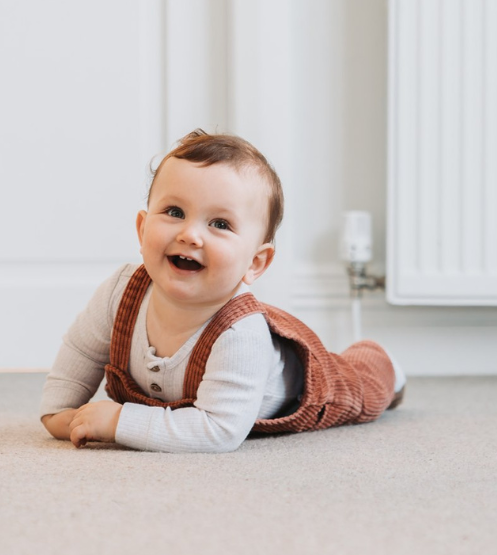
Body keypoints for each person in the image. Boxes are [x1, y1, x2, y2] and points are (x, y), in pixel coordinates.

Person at [40, 130, 405, 453]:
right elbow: (81, 350)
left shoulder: (240, 334)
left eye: (220, 224)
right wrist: (59, 412)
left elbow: (220, 430)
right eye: (174, 211)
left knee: (362, 387)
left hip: (310, 389)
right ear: (141, 229)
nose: (190, 234)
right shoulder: (120, 293)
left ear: (255, 263)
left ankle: (382, 364)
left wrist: (121, 422)